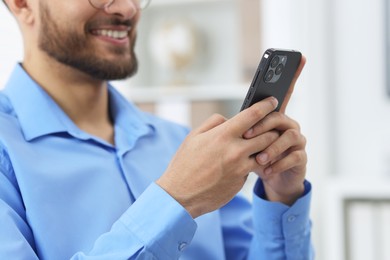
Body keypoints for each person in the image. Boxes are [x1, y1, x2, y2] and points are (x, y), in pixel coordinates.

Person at [0, 0, 314, 259]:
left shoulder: (181, 142)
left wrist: (281, 196)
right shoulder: (6, 153)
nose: (127, 9)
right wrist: (177, 199)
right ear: (22, 4)